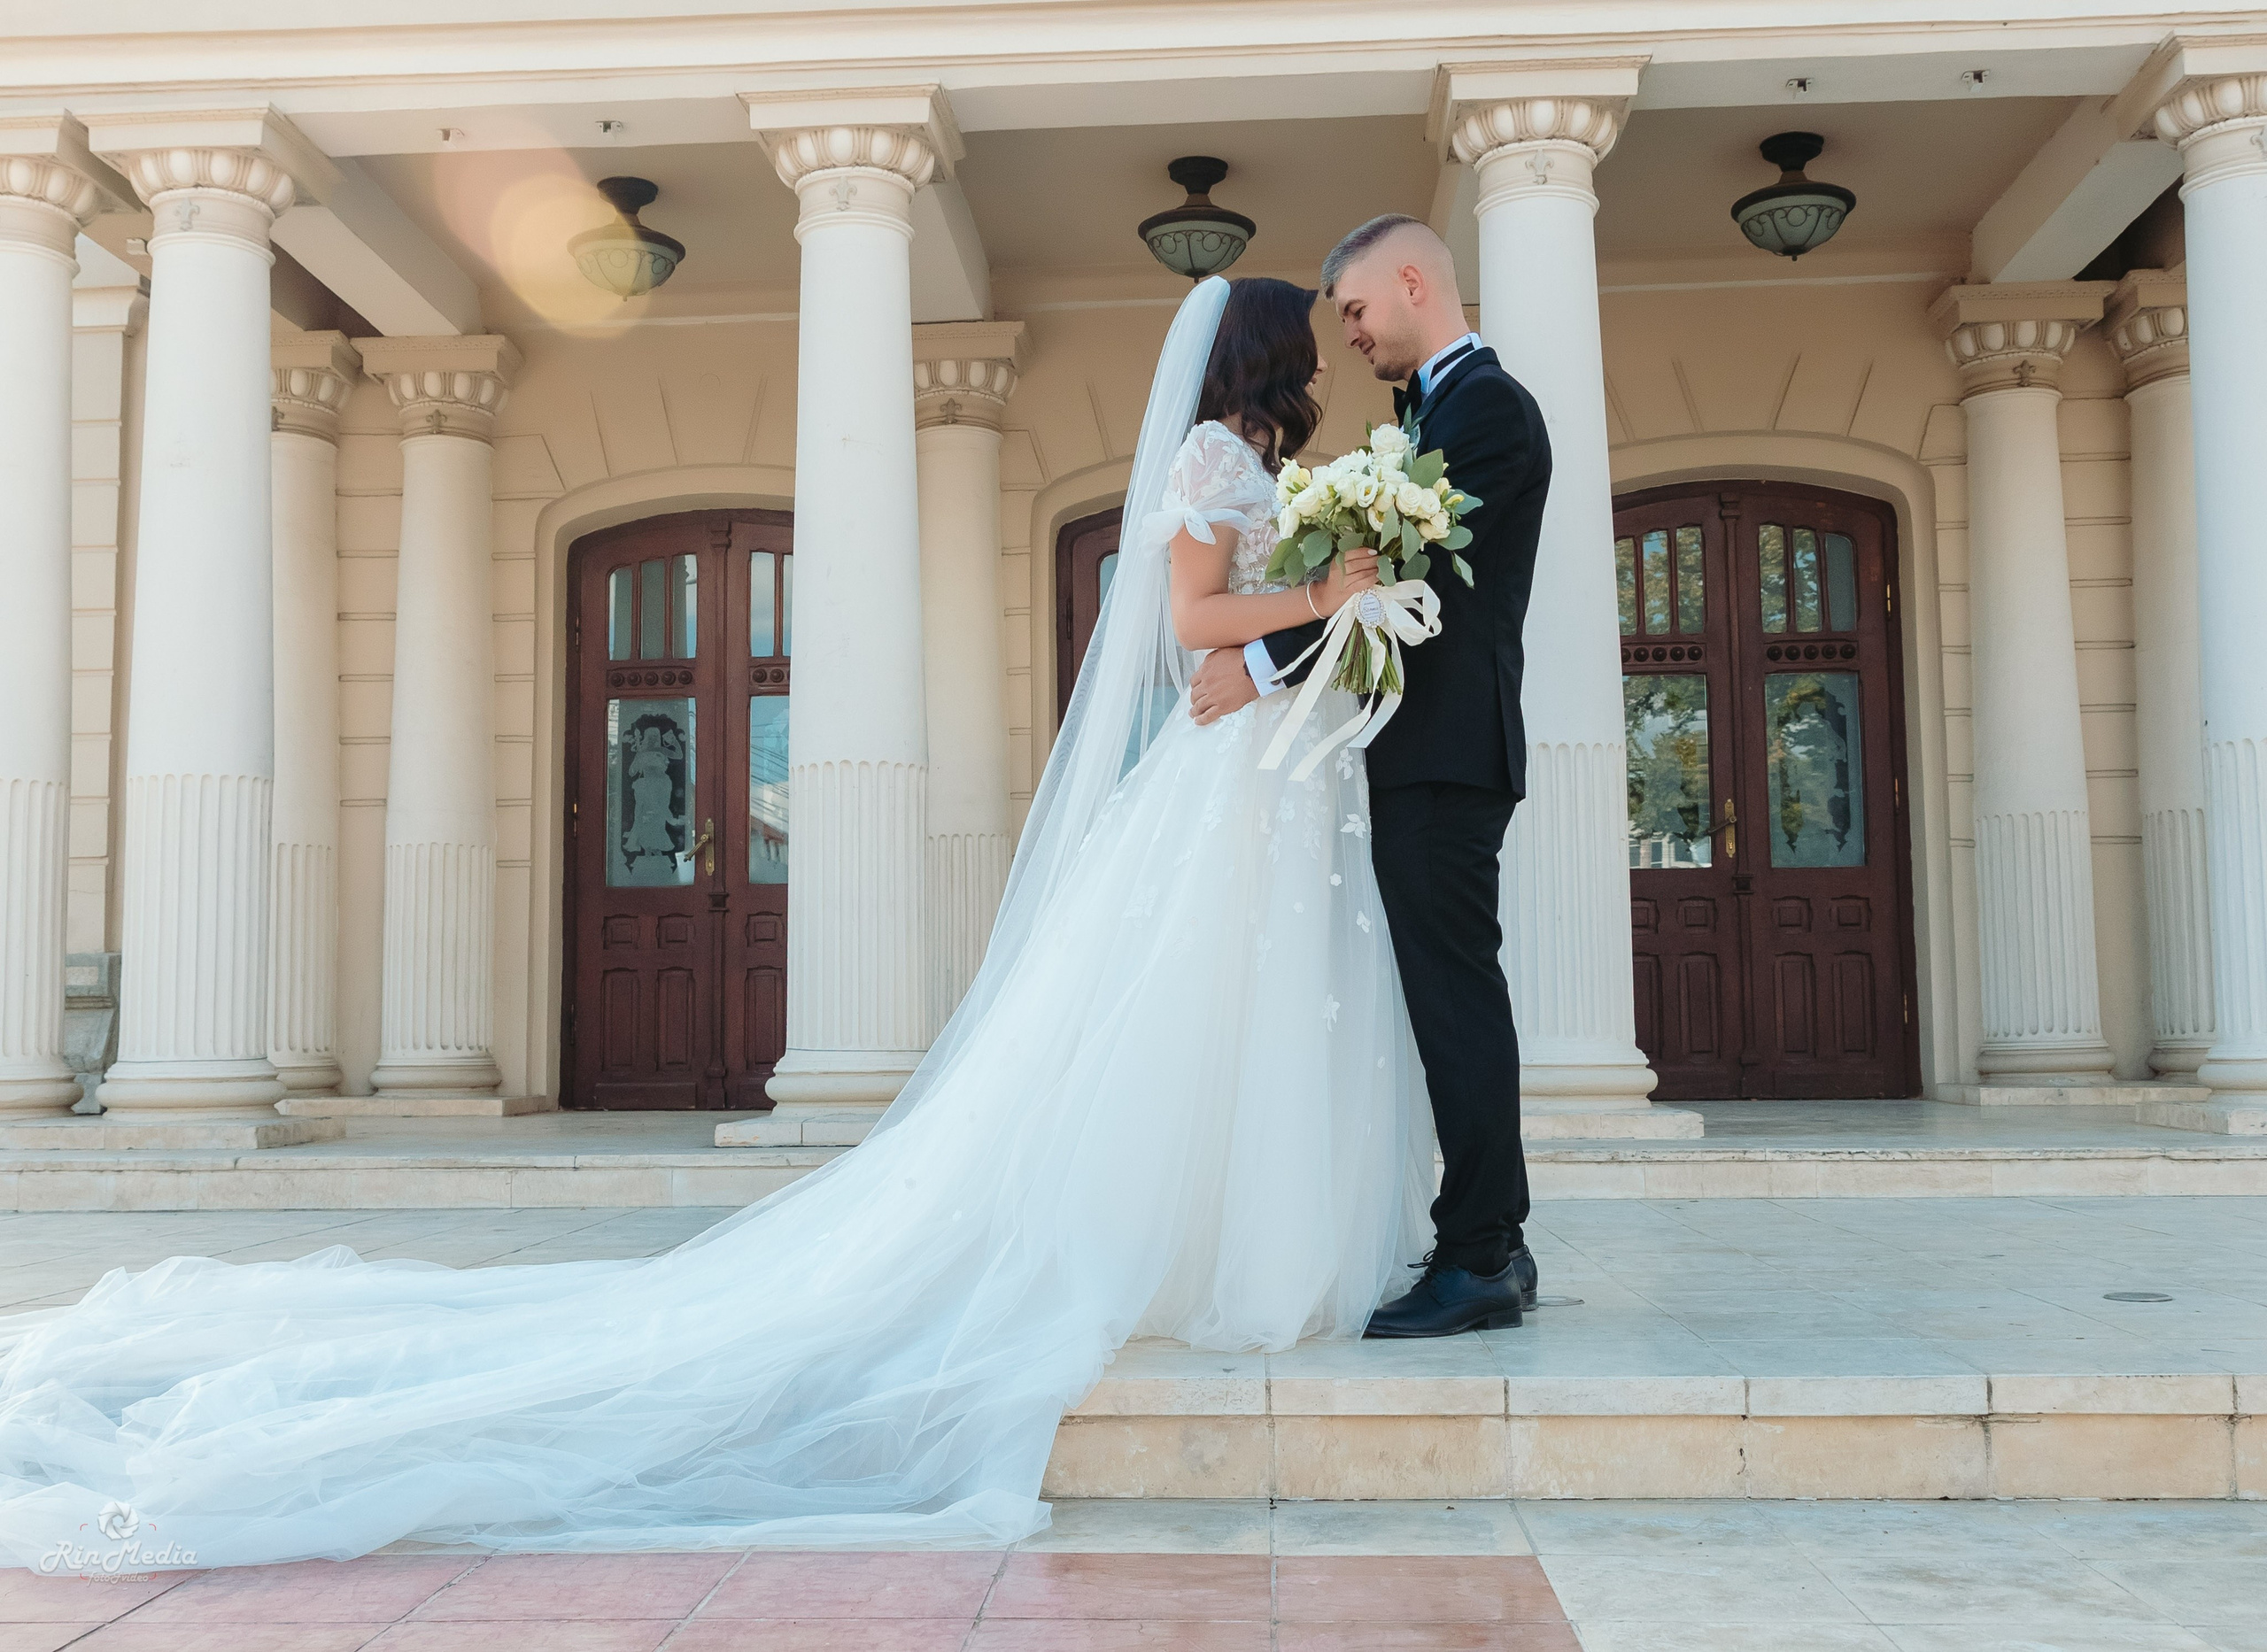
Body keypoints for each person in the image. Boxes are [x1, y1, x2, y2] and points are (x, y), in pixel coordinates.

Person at [0, 274, 1435, 1570]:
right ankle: (1196, 1253)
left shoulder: (1259, 462)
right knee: (1195, 997)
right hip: (1229, 769)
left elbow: (1242, 621)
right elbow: (1189, 617)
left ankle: (1243, 1245)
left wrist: (1319, 611)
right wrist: (1323, 593)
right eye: (1313, 330)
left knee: (1242, 1002)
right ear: (1272, 355)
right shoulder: (1214, 459)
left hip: (1268, 768)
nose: (1333, 341)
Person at [1188, 215, 1551, 1339]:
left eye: (1352, 310)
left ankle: (1481, 1252)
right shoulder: (1428, 411)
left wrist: (1256, 661)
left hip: (1444, 754)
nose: (1343, 335)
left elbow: (1410, 594)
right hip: (1402, 753)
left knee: (1453, 998)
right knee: (1439, 998)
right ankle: (1497, 1236)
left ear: (1410, 284)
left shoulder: (1487, 411)